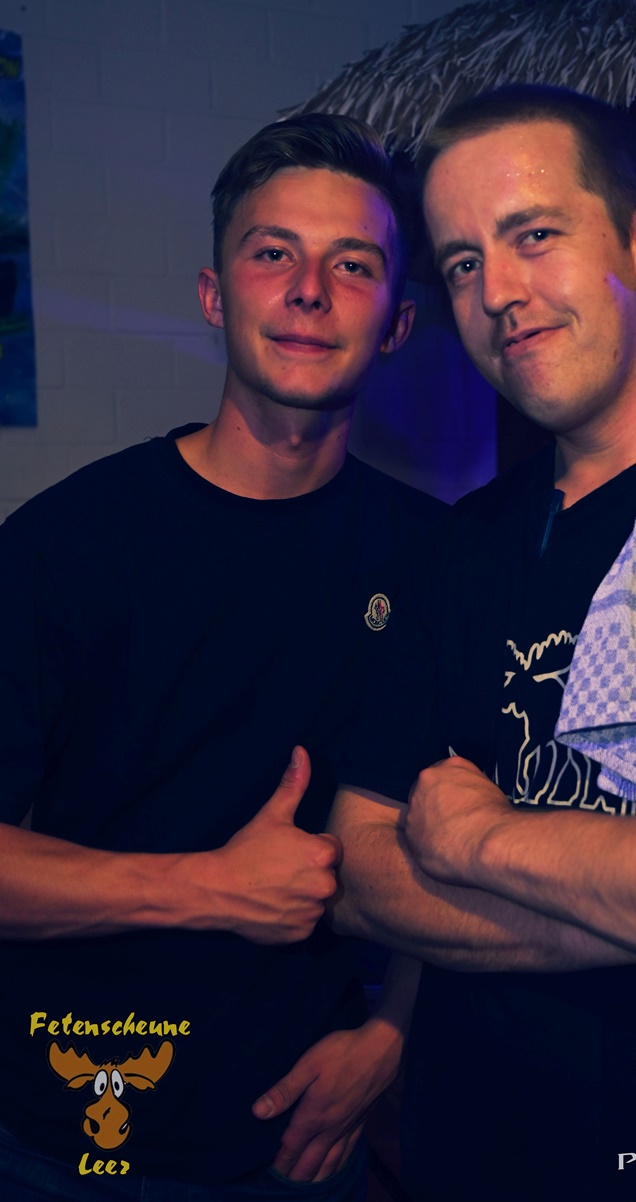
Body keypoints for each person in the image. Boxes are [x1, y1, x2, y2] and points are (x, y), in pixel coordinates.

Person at [330, 84, 636, 1200]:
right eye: (460, 262)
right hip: (475, 1159)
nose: (495, 291)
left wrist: (482, 838)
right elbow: (359, 871)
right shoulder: (453, 549)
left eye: (532, 234)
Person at [0, 112, 444, 1200]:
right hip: (67, 1137)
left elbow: (457, 829)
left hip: (304, 1143)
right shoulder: (65, 545)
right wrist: (207, 887)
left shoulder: (438, 561)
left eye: (353, 265)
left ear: (396, 323)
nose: (309, 291)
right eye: (272, 252)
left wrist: (390, 1033)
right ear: (213, 295)